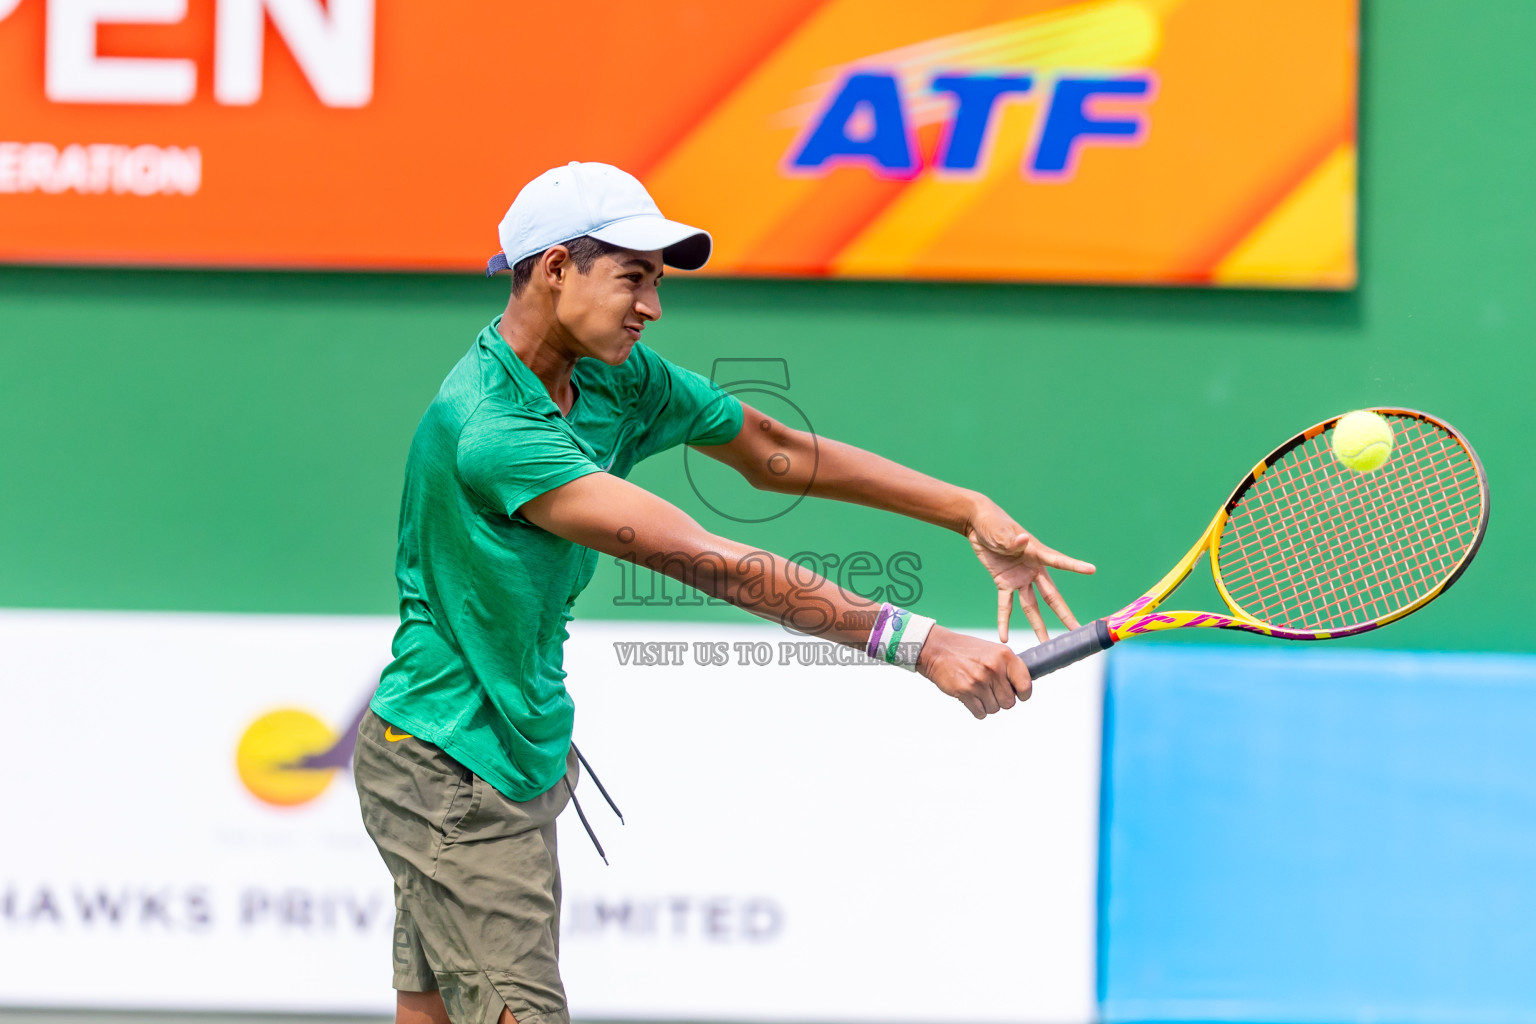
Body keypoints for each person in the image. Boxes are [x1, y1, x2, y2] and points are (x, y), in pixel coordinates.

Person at [353, 161, 1095, 1024]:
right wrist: (921, 643)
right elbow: (708, 559)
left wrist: (965, 509)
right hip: (451, 764)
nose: (652, 306)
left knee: (435, 1013)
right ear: (555, 268)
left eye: (657, 283)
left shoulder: (613, 376)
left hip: (497, 746)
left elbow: (773, 448)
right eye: (634, 277)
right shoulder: (494, 429)